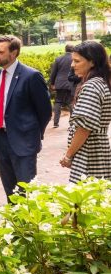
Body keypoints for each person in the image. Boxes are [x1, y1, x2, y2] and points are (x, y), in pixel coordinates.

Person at [0, 35, 52, 203]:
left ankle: (30, 226)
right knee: (9, 189)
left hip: (24, 141)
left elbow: (45, 110)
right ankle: (15, 224)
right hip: (0, 140)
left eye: (0, 51)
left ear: (14, 53)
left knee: (26, 190)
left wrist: (33, 133)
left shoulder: (31, 76)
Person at [59, 41, 111, 183]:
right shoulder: (101, 82)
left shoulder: (91, 87)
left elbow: (84, 128)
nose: (72, 65)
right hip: (97, 149)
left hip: (89, 151)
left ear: (92, 62)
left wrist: (68, 155)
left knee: (86, 198)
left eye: (77, 61)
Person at [49, 44, 75, 128]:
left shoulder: (58, 59)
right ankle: (72, 123)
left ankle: (55, 123)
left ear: (65, 50)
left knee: (58, 102)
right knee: (70, 102)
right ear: (73, 50)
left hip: (59, 83)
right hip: (70, 83)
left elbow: (53, 73)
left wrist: (52, 83)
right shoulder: (75, 59)